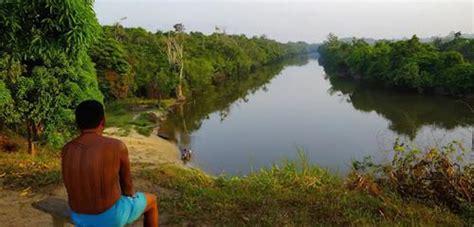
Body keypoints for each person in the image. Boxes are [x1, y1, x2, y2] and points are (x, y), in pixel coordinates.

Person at [61, 100, 159, 227]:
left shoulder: (67, 149)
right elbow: (127, 185)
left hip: (78, 217)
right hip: (111, 218)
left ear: (77, 123)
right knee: (152, 200)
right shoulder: (116, 146)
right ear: (103, 121)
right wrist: (127, 199)